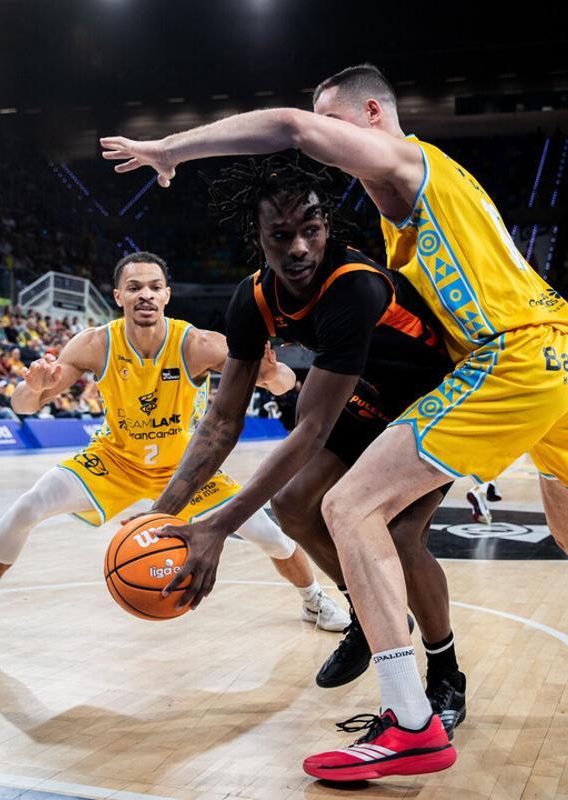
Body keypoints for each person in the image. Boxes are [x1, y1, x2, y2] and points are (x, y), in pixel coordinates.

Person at [102, 62, 568, 780]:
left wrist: (171, 150)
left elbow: (287, 127)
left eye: (335, 126)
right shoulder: (418, 197)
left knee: (348, 505)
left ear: (375, 114)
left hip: (517, 356)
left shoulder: (407, 162)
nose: (325, 146)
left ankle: (412, 724)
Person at [162, 156, 466, 732]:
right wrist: (161, 515)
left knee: (400, 535)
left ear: (328, 229)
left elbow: (311, 429)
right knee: (294, 505)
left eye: (312, 230)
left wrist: (219, 526)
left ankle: (445, 670)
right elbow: (222, 422)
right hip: (370, 397)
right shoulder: (252, 299)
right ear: (259, 237)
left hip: (435, 401)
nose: (298, 246)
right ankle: (368, 613)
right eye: (281, 234)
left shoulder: (353, 286)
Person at [0, 252, 348, 652]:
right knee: (27, 507)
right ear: (119, 296)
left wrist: (273, 372)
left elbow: (284, 385)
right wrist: (36, 387)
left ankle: (314, 599)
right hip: (114, 460)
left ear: (167, 295)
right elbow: (23, 406)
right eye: (134, 287)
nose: (145, 294)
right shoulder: (94, 344)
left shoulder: (198, 344)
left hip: (187, 469)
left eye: (154, 287)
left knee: (269, 534)